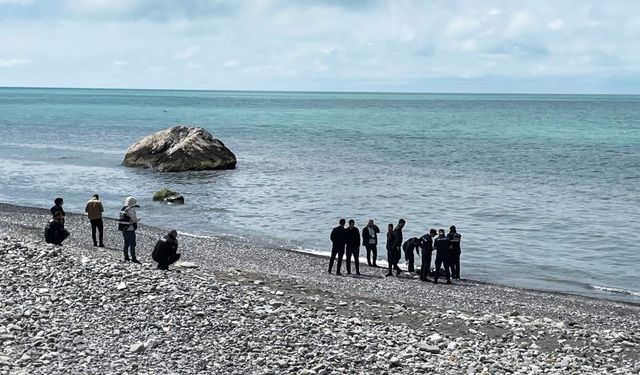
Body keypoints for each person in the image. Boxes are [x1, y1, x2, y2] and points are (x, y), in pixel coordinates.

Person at [118, 196, 140, 264]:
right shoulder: (130, 209)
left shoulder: (123, 208)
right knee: (132, 244)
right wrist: (138, 219)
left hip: (123, 228)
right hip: (130, 229)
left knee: (126, 244)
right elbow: (134, 219)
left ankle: (126, 257)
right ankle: (133, 258)